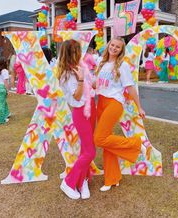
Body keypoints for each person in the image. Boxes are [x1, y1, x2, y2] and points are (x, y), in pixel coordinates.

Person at [94, 37, 146, 192]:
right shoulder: (101, 63)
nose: (114, 48)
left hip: (114, 102)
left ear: (121, 50)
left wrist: (140, 107)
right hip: (101, 101)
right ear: (108, 45)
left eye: (117, 47)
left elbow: (130, 88)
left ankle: (136, 144)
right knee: (106, 141)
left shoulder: (122, 66)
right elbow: (97, 84)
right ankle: (112, 178)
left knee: (99, 138)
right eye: (112, 45)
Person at [57, 39, 96, 200]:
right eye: (76, 51)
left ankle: (83, 180)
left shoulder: (81, 67)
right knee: (90, 152)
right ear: (69, 53)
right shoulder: (66, 74)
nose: (79, 53)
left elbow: (93, 85)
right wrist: (80, 79)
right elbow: (77, 96)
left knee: (85, 149)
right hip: (80, 111)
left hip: (91, 107)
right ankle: (68, 182)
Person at [0, 57, 11, 124]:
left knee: (2, 101)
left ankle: (7, 113)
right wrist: (8, 90)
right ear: (4, 63)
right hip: (1, 89)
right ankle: (1, 120)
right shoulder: (5, 71)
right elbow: (5, 82)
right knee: (2, 103)